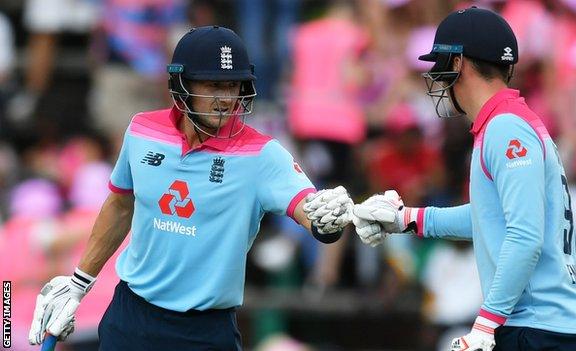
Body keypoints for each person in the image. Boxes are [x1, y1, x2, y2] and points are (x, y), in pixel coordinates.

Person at [27, 26, 353, 350]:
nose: (225, 100)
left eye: (233, 87)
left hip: (205, 331)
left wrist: (328, 219)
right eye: (213, 86)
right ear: (181, 84)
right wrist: (79, 283)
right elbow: (120, 205)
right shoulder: (141, 131)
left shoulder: (263, 154)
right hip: (131, 318)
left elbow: (310, 210)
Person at [352, 7, 576, 351]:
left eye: (440, 65)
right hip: (544, 326)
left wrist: (485, 323)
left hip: (538, 327)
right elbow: (489, 217)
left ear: (458, 64)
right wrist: (407, 219)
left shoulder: (505, 127)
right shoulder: (507, 123)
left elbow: (525, 235)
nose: (436, 77)